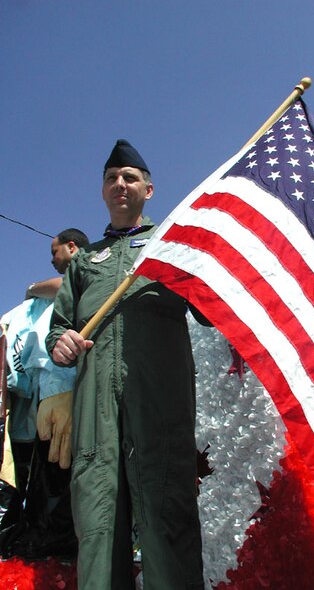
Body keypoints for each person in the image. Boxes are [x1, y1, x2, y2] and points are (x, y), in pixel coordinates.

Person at [46, 140, 205, 590]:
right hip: (95, 413)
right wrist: (61, 342)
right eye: (112, 177)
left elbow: (215, 311)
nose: (120, 184)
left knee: (166, 513)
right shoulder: (83, 264)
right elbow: (58, 328)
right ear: (102, 190)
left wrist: (211, 260)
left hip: (160, 404)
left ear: (148, 190)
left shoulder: (172, 249)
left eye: (130, 177)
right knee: (97, 522)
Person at [0, 227, 89, 559]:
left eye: (55, 252)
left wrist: (30, 288)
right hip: (34, 403)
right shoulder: (42, 303)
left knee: (57, 487)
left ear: (71, 247)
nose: (52, 260)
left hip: (64, 395)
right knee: (35, 486)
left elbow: (65, 286)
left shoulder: (81, 278)